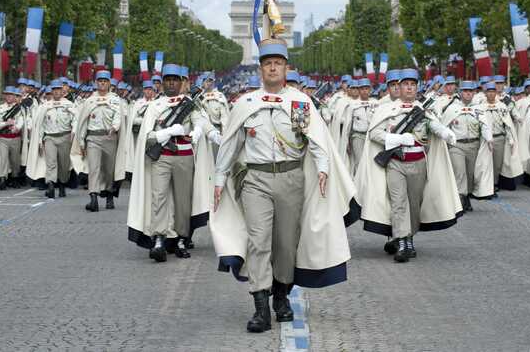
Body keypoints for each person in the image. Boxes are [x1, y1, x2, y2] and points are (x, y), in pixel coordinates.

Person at [211, 38, 354, 333]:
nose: (273, 68)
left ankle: (281, 295)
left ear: (286, 68)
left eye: (278, 63)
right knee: (258, 240)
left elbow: (314, 140)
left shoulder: (298, 103)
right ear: (261, 69)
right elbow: (231, 143)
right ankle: (260, 306)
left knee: (287, 244)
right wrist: (219, 178)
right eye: (267, 63)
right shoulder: (247, 103)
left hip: (291, 178)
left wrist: (324, 169)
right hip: (256, 179)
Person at [357, 68, 460, 262]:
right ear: (399, 87)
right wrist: (395, 138)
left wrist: (446, 133)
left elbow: (433, 125)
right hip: (396, 162)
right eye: (405, 85)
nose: (409, 88)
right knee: (398, 203)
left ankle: (409, 237)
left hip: (418, 162)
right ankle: (403, 242)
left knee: (414, 203)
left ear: (417, 87)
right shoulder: (387, 109)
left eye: (413, 85)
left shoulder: (423, 110)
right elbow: (374, 134)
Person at [127, 64, 220, 262]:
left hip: (184, 156)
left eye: (174, 80)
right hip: (161, 156)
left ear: (180, 82)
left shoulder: (189, 103)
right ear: (162, 83)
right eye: (167, 79)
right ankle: (159, 238)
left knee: (182, 200)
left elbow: (200, 121)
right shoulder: (155, 106)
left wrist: (204, 132)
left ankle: (180, 238)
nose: (171, 83)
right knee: (158, 197)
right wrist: (166, 133)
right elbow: (147, 136)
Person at [75, 70, 127, 212]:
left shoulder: (115, 100)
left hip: (110, 137)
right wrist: (81, 141)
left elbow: (118, 116)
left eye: (105, 81)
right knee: (94, 168)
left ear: (109, 83)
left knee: (109, 169)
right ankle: (93, 198)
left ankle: (109, 195)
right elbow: (83, 122)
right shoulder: (90, 100)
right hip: (93, 138)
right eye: (100, 81)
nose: (102, 83)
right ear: (96, 83)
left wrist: (115, 127)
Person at [441, 80, 494, 211]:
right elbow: (444, 127)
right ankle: (460, 200)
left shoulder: (478, 108)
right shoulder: (452, 108)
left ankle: (467, 197)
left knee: (470, 174)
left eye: (470, 91)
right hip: (457, 145)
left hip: (474, 145)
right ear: (460, 93)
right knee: (460, 172)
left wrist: (489, 139)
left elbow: (484, 125)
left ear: (474, 93)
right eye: (465, 91)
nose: (468, 94)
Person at [32, 81, 77, 198]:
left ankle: (62, 185)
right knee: (51, 163)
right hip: (50, 137)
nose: (56, 91)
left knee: (64, 164)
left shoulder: (68, 104)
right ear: (51, 91)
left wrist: (74, 131)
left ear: (62, 91)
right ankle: (51, 185)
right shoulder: (45, 106)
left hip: (65, 136)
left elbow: (76, 118)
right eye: (54, 89)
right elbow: (40, 124)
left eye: (58, 89)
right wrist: (40, 140)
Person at [480, 82, 522, 193]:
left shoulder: (502, 106)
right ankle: (486, 185)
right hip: (484, 139)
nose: (491, 94)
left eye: (493, 91)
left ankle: (495, 184)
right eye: (489, 92)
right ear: (485, 93)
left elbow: (507, 124)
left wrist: (511, 139)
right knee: (485, 162)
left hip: (499, 138)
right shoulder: (480, 106)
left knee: (497, 164)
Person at [0, 87, 25, 190]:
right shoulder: (0, 108)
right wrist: (5, 123)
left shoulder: (19, 108)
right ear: (4, 96)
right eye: (7, 94)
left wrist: (17, 127)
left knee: (15, 160)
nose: (9, 96)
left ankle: (15, 179)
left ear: (14, 97)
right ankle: (3, 179)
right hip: (2, 138)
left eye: (11, 95)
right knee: (3, 159)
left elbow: (21, 120)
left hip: (15, 138)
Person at [339, 78, 377, 174]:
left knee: (371, 162)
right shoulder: (353, 105)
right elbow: (348, 124)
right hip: (357, 136)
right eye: (362, 88)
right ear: (359, 90)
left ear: (370, 90)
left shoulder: (375, 103)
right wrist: (347, 140)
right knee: (359, 162)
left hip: (371, 137)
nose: (365, 91)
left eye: (367, 88)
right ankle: (358, 185)